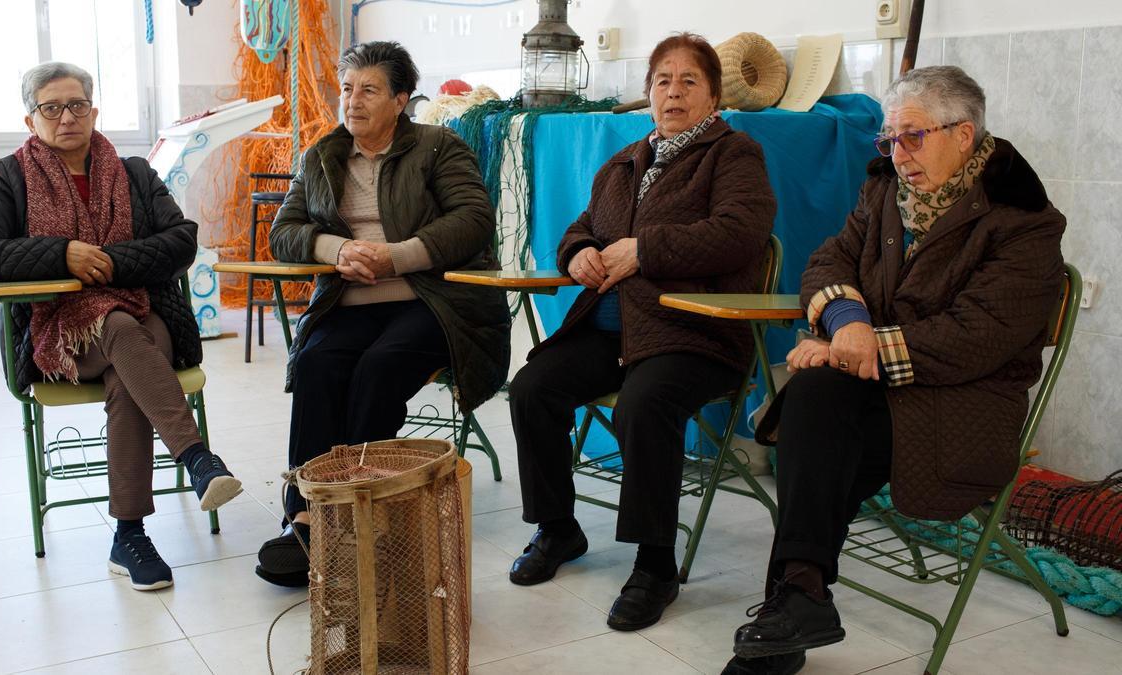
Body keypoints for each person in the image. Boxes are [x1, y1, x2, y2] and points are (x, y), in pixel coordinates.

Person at [722, 65, 1067, 675]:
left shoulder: (1024, 220)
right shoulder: (885, 191)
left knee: (821, 429)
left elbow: (976, 336)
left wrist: (857, 347)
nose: (898, 154)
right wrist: (848, 321)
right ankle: (800, 598)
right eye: (889, 139)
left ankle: (793, 605)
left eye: (913, 136)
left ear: (964, 135)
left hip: (963, 403)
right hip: (878, 389)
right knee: (817, 403)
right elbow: (829, 259)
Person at [506, 32, 777, 631]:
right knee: (531, 388)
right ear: (649, 92)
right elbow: (582, 225)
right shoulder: (625, 161)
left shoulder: (734, 154)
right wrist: (578, 251)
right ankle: (558, 529)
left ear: (713, 97)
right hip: (613, 333)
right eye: (662, 81)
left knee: (644, 402)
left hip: (693, 333)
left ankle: (655, 566)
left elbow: (740, 233)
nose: (672, 92)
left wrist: (644, 250)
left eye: (688, 81)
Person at [0, 62, 243, 591]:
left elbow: (181, 240)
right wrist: (61, 254)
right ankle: (196, 459)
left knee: (126, 366)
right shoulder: (8, 177)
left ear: (94, 111)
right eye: (51, 107)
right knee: (116, 328)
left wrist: (109, 262)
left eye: (77, 105)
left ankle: (129, 538)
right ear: (30, 119)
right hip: (59, 330)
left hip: (144, 313)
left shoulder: (133, 172)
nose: (67, 117)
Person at [255, 41, 510, 587]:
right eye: (347, 89)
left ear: (400, 100)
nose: (353, 101)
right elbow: (284, 232)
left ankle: (359, 515)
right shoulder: (322, 156)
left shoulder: (439, 147)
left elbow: (472, 219)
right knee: (318, 364)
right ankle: (306, 514)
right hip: (348, 302)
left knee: (379, 366)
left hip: (432, 300)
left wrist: (396, 256)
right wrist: (337, 250)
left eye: (369, 90)